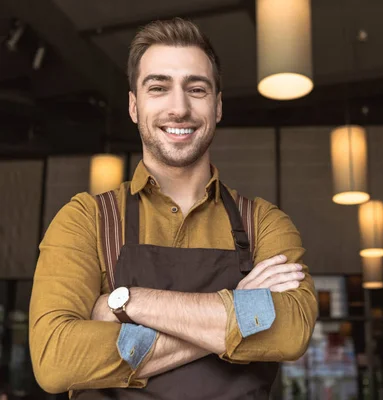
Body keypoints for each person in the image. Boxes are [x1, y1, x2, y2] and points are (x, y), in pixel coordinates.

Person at [28, 18, 317, 399]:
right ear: (134, 105)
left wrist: (127, 302)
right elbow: (55, 359)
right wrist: (242, 309)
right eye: (159, 87)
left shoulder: (263, 223)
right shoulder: (86, 219)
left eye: (196, 89)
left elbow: (292, 329)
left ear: (217, 106)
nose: (179, 108)